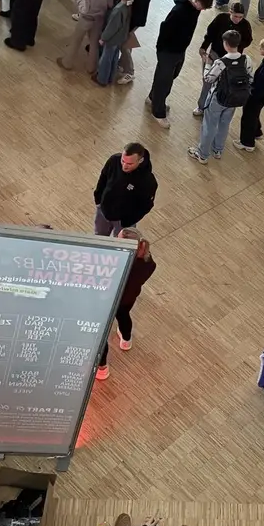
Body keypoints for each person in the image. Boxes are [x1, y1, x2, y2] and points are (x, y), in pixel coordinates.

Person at [93, 228, 157, 375]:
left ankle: (102, 367)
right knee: (124, 316)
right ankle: (126, 340)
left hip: (107, 301)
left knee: (100, 334)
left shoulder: (118, 262)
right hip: (128, 299)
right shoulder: (147, 261)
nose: (115, 238)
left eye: (118, 237)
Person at [57, 0, 114, 74]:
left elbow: (84, 10)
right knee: (94, 44)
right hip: (98, 20)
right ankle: (91, 67)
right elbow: (110, 4)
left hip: (85, 19)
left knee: (76, 41)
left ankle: (67, 63)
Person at [91, 141, 157, 239]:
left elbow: (146, 205)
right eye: (123, 161)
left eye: (129, 163)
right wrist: (98, 201)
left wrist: (128, 221)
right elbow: (103, 178)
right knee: (99, 238)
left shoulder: (147, 181)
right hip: (103, 211)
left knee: (121, 244)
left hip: (123, 222)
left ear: (140, 160)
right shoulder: (114, 160)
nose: (124, 166)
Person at [95, 0, 135, 85]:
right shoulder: (128, 6)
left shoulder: (118, 9)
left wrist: (103, 38)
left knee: (106, 59)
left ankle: (102, 79)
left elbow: (112, 27)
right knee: (114, 58)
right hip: (120, 38)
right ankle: (110, 77)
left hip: (112, 39)